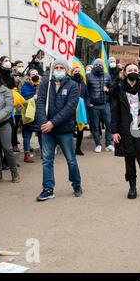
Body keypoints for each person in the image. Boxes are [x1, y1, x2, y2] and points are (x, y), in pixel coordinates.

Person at [35, 59, 83, 201]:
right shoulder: (45, 83)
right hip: (47, 130)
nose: (59, 69)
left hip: (65, 130)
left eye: (62, 67)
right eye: (57, 67)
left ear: (66, 70)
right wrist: (44, 123)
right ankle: (48, 189)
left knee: (71, 160)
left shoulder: (73, 85)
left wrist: (52, 123)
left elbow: (70, 108)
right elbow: (40, 103)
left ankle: (76, 184)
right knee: (47, 161)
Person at [111, 63, 140, 199]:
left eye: (135, 70)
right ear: (124, 72)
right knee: (129, 160)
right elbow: (115, 111)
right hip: (125, 129)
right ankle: (132, 187)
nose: (133, 72)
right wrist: (114, 131)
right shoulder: (118, 89)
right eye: (130, 70)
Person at [86, 59, 114, 153]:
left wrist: (108, 90)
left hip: (105, 104)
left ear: (103, 66)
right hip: (94, 105)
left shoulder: (107, 76)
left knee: (109, 124)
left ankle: (108, 144)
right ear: (94, 66)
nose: (98, 66)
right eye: (96, 64)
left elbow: (112, 90)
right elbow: (86, 91)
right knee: (95, 126)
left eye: (100, 65)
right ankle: (98, 144)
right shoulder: (88, 76)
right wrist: (88, 102)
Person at [20, 69, 42, 163]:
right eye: (33, 74)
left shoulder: (41, 85)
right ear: (29, 76)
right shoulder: (26, 86)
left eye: (37, 74)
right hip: (28, 113)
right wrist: (33, 97)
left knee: (41, 134)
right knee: (27, 135)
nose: (35, 75)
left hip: (39, 113)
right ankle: (27, 154)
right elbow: (24, 100)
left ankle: (43, 152)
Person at [71, 66, 89, 156]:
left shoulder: (83, 82)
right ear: (72, 72)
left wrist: (86, 104)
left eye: (78, 71)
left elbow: (86, 95)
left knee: (80, 129)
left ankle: (78, 148)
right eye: (75, 71)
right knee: (70, 128)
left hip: (81, 108)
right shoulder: (69, 82)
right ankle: (70, 149)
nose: (77, 72)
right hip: (71, 108)